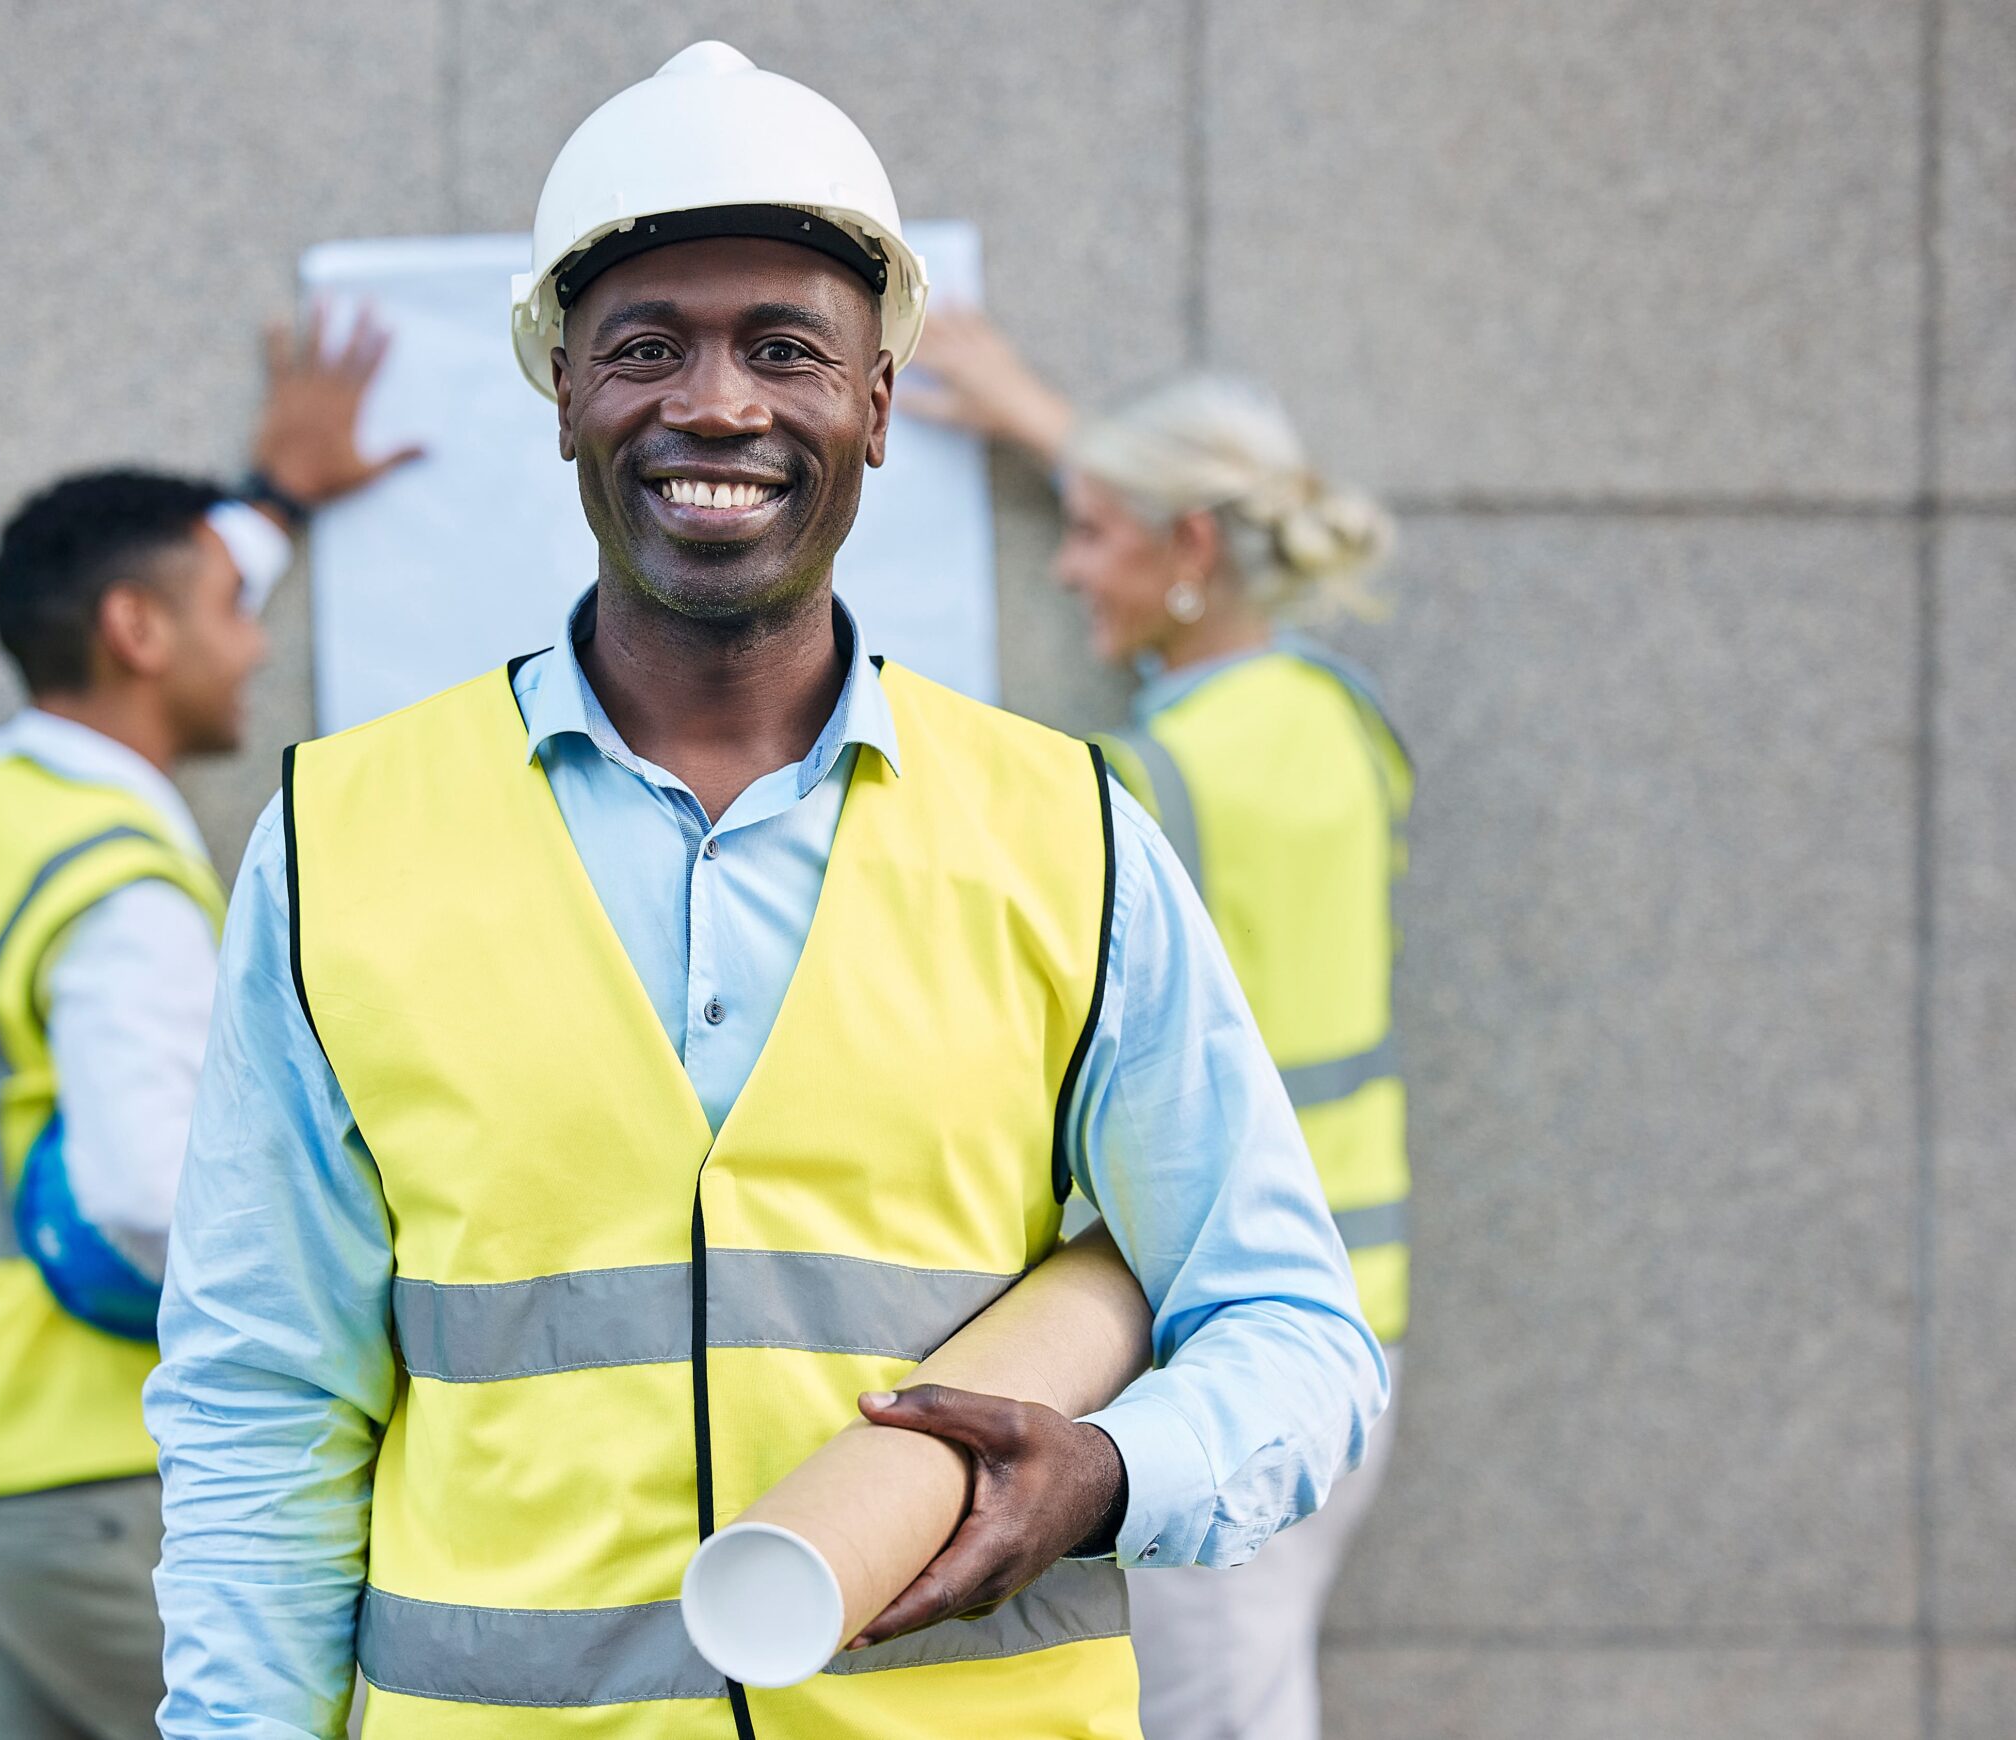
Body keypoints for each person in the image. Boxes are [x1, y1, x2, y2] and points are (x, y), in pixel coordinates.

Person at [147, 41, 1386, 1740]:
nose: (715, 404)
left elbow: (1293, 1325)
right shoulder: (343, 839)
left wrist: (1111, 1471)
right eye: (646, 347)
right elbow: (259, 1412)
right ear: (564, 394)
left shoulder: (1068, 834)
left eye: (785, 349)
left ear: (876, 405)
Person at [0, 306, 417, 1740]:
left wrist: (266, 509)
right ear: (137, 630)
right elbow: (147, 1187)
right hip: (75, 1488)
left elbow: (150, 589)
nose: (258, 649)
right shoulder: (120, 885)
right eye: (235, 608)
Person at [905, 307, 1412, 1739]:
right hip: (1351, 1321)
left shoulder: (1139, 791)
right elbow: (1205, 567)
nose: (1069, 566)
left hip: (1218, 1332)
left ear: (1189, 546)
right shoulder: (1341, 721)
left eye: (1091, 531)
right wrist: (1054, 428)